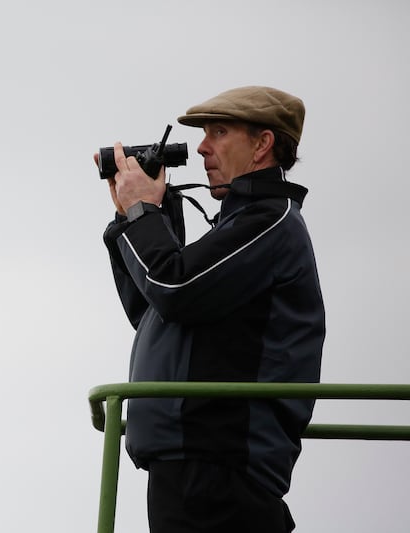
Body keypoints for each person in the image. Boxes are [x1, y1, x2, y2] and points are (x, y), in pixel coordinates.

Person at [96, 86, 325, 533]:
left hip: (219, 468)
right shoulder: (241, 224)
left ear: (263, 144)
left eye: (219, 132)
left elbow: (172, 285)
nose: (202, 147)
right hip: (191, 467)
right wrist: (132, 217)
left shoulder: (271, 220)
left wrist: (144, 212)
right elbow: (154, 313)